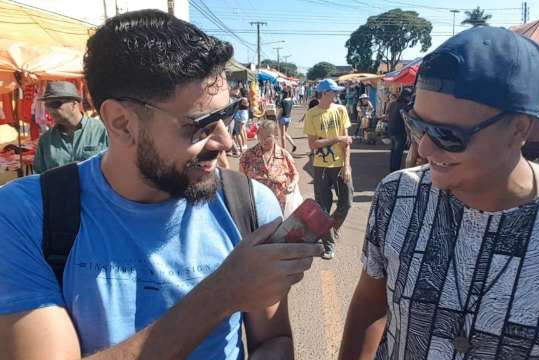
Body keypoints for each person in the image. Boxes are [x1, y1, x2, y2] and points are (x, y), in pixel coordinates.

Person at [0, 10, 324, 360]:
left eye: (226, 116)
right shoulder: (30, 214)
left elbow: (274, 341)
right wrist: (221, 294)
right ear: (122, 123)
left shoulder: (247, 203)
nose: (226, 143)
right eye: (200, 125)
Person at [340, 27, 539, 360]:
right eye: (417, 124)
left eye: (447, 134)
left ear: (520, 129)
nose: (423, 147)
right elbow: (370, 303)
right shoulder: (398, 195)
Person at [303, 79, 353, 260]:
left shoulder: (341, 110)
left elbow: (346, 142)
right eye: (334, 92)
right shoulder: (312, 114)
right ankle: (329, 244)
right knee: (323, 207)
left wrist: (347, 166)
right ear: (324, 93)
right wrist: (336, 138)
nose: (337, 95)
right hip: (321, 167)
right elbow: (313, 144)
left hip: (340, 165)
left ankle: (329, 230)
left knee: (346, 203)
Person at [32, 81, 109, 173]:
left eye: (55, 104)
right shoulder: (46, 140)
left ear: (74, 104)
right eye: (47, 105)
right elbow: (38, 175)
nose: (50, 110)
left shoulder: (102, 130)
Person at [240, 120, 299, 210]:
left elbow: (295, 173)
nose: (264, 140)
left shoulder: (284, 155)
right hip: (256, 204)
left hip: (279, 203)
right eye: (261, 136)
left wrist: (292, 184)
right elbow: (241, 177)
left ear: (275, 136)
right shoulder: (248, 155)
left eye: (268, 136)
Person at [387, 88, 412, 172]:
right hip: (400, 132)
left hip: (391, 130)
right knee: (398, 152)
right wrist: (409, 135)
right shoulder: (405, 106)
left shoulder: (393, 104)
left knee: (393, 150)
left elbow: (388, 115)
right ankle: (395, 171)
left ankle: (392, 169)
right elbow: (406, 122)